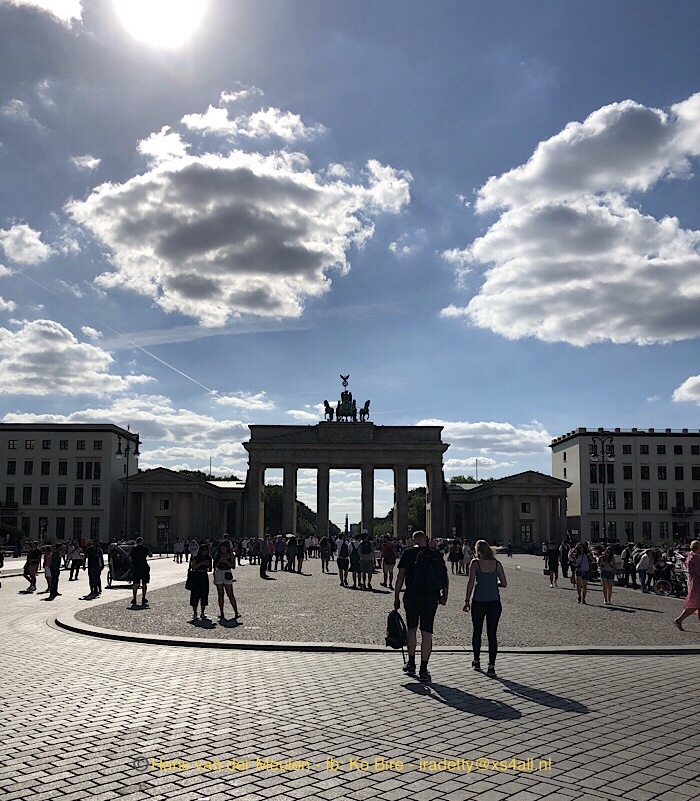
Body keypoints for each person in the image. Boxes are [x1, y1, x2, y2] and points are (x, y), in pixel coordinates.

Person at [394, 530, 449, 684]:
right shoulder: (436, 554)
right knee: (427, 632)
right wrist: (445, 595)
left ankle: (411, 664)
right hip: (430, 597)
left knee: (412, 629)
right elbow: (444, 577)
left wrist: (396, 595)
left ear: (413, 541)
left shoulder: (408, 553)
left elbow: (400, 576)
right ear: (426, 540)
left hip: (412, 596)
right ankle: (424, 668)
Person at [463, 540, 507, 677]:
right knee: (492, 634)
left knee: (477, 631)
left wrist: (466, 600)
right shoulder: (497, 564)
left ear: (478, 550)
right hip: (494, 602)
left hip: (478, 601)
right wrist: (493, 583)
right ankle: (491, 666)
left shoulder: (475, 563)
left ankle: (476, 661)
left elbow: (470, 582)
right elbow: (504, 583)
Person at [674, 540, 700, 631]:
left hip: (692, 581)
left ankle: (679, 620)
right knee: (694, 605)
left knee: (695, 604)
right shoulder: (696, 557)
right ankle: (679, 619)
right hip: (697, 583)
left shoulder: (689, 556)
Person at [213, 540, 239, 620]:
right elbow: (214, 566)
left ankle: (236, 611)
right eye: (221, 549)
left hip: (227, 572)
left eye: (224, 548)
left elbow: (233, 566)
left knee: (230, 594)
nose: (222, 550)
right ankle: (221, 612)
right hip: (219, 573)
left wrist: (226, 561)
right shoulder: (218, 555)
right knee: (220, 594)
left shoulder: (231, 556)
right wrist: (218, 562)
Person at [188, 543, 212, 621]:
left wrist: (208, 565)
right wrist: (201, 563)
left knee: (204, 594)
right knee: (195, 594)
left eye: (206, 550)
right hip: (196, 576)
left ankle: (202, 612)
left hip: (204, 576)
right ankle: (195, 612)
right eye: (203, 550)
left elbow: (210, 570)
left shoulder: (209, 558)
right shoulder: (195, 557)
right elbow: (193, 567)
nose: (204, 552)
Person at [129, 537, 151, 607]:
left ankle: (134, 598)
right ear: (142, 542)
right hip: (144, 567)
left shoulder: (134, 549)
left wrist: (133, 563)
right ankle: (143, 598)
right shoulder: (144, 549)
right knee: (144, 583)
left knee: (135, 584)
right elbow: (150, 555)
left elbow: (130, 558)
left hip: (136, 568)